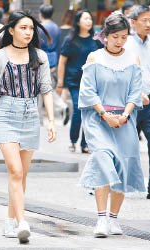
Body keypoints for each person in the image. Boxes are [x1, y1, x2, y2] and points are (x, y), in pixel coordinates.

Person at [0, 10, 57, 244]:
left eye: (31, 28)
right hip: (6, 114)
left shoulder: (40, 56)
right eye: (23, 28)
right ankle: (23, 221)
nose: (28, 32)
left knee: (21, 174)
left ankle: (10, 220)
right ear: (11, 30)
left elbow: (46, 89)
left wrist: (51, 120)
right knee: (15, 171)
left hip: (30, 116)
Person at [78, 12, 144, 238]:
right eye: (115, 36)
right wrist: (106, 115)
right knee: (103, 159)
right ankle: (101, 218)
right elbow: (87, 91)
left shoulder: (133, 58)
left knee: (124, 165)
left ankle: (114, 218)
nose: (119, 41)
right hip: (99, 120)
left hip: (125, 120)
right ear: (105, 35)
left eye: (124, 37)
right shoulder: (94, 58)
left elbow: (136, 91)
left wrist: (125, 115)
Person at [124, 5, 150, 200]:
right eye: (144, 20)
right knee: (122, 146)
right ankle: (107, 182)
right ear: (133, 23)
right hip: (127, 104)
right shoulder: (125, 44)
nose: (148, 24)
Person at [57, 10, 103, 154]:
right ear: (78, 22)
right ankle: (73, 140)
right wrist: (60, 83)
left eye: (90, 18)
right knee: (78, 109)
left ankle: (85, 143)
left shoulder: (96, 41)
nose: (89, 21)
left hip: (92, 82)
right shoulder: (70, 40)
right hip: (74, 81)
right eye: (85, 19)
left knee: (90, 110)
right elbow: (62, 62)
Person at [38, 4, 69, 125]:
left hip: (41, 59)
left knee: (41, 88)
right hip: (53, 59)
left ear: (41, 14)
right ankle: (59, 106)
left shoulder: (39, 27)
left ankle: (59, 106)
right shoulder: (56, 27)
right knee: (44, 86)